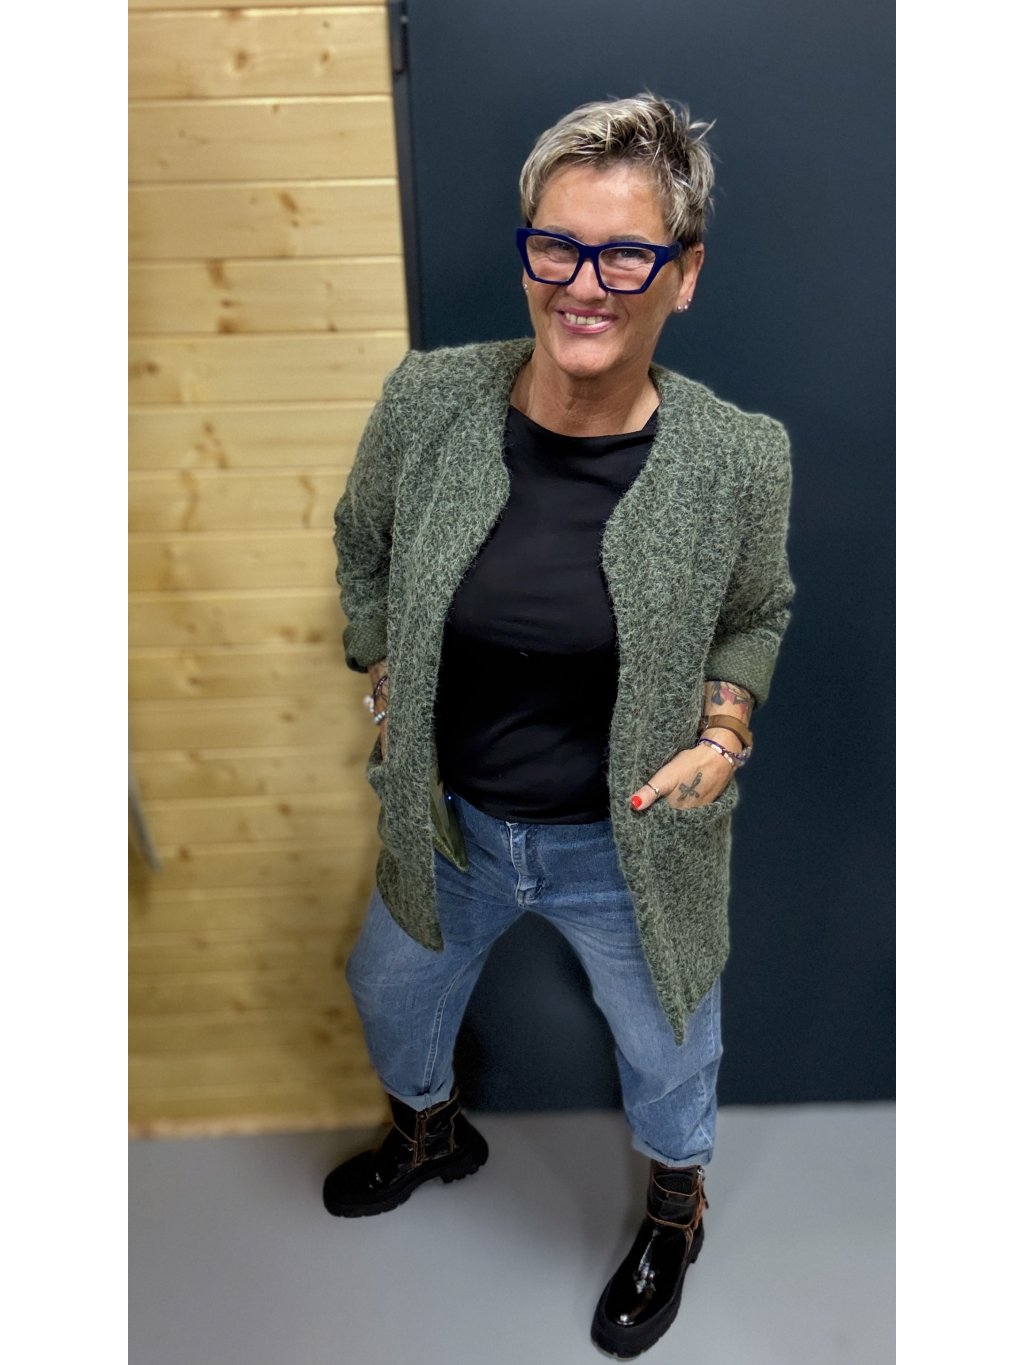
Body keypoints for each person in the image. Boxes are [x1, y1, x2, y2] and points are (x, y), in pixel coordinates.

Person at [323, 94, 793, 1359]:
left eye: (627, 253)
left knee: (670, 1046)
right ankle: (430, 1129)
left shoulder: (738, 458)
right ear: (527, 249)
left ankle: (676, 1210)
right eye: (558, 246)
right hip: (451, 823)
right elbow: (360, 547)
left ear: (682, 274)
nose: (584, 284)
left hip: (625, 843)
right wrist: (383, 667)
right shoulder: (429, 401)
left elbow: (756, 614)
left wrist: (725, 733)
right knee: (385, 989)